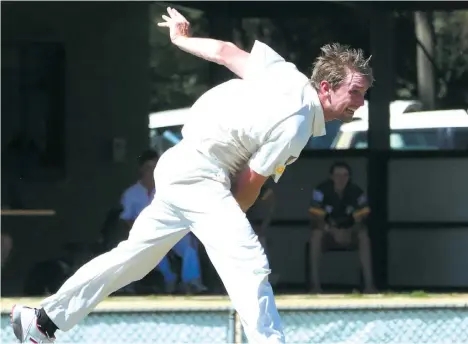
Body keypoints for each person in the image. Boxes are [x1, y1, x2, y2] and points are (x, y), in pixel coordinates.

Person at [11, 7, 373, 344]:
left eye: (363, 93)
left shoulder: (286, 75)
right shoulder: (296, 124)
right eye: (355, 92)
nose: (359, 102)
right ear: (326, 87)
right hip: (200, 176)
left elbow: (227, 51)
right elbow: (249, 185)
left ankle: (42, 320)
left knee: (133, 260)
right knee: (247, 261)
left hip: (180, 166)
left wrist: (181, 39)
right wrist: (223, 224)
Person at [119, 149, 207, 294]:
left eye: (155, 167)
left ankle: (191, 282)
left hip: (170, 230)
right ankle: (169, 280)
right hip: (145, 235)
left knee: (189, 245)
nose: (151, 172)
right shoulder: (131, 193)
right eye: (148, 168)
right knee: (154, 248)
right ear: (141, 169)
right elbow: (125, 219)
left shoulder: (167, 189)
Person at [308, 161, 376, 293]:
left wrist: (349, 231)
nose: (341, 179)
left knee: (364, 236)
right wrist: (332, 231)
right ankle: (315, 286)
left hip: (350, 233)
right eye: (337, 175)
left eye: (345, 175)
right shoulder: (321, 190)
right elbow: (316, 217)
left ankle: (369, 286)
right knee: (315, 236)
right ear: (331, 177)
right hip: (328, 234)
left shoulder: (356, 191)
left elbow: (362, 219)